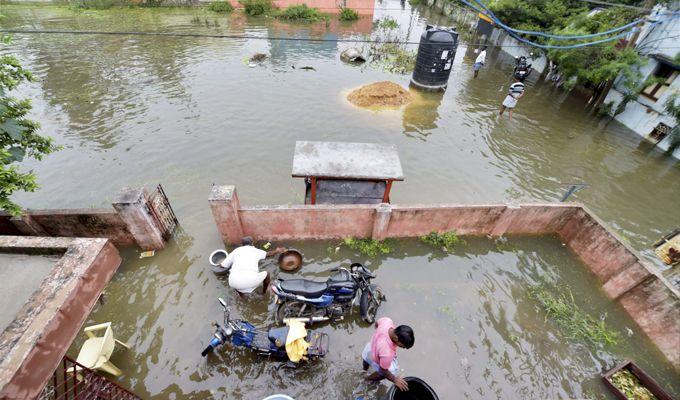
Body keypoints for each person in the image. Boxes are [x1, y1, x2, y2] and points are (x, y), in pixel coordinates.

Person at [362, 317, 415, 391]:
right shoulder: (387, 353)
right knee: (392, 370)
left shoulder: (387, 322)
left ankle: (364, 370)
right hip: (376, 358)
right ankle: (368, 380)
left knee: (365, 363)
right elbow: (383, 370)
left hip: (369, 349)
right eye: (401, 346)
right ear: (396, 338)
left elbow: (377, 324)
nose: (402, 347)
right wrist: (394, 379)